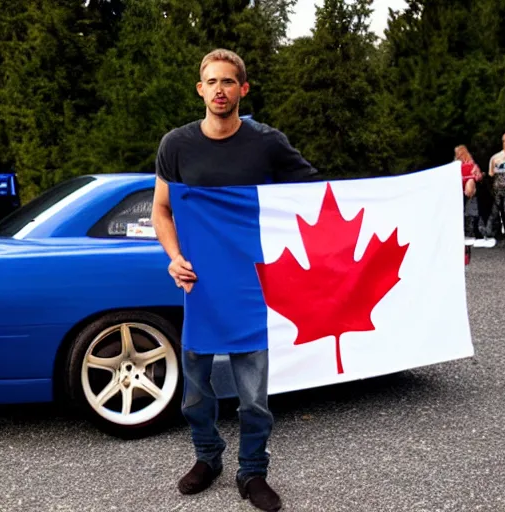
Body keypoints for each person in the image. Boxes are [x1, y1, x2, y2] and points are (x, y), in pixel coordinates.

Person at [151, 49, 320, 512]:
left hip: (253, 286)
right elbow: (161, 210)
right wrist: (174, 257)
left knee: (254, 396)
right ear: (200, 88)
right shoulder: (177, 145)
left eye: (229, 82)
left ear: (243, 89)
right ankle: (208, 459)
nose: (220, 89)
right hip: (199, 286)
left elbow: (309, 195)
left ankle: (252, 471)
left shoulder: (267, 143)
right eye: (212, 81)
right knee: (196, 391)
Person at [454, 145, 484, 244]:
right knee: (461, 213)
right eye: (458, 154)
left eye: (460, 153)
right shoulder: (455, 166)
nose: (459, 155)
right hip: (458, 192)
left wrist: (471, 179)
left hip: (470, 192)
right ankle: (465, 233)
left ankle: (475, 232)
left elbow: (479, 177)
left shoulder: (472, 165)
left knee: (472, 212)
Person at [488, 133, 505, 246]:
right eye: (504, 141)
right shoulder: (496, 158)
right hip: (500, 190)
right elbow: (491, 174)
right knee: (501, 212)